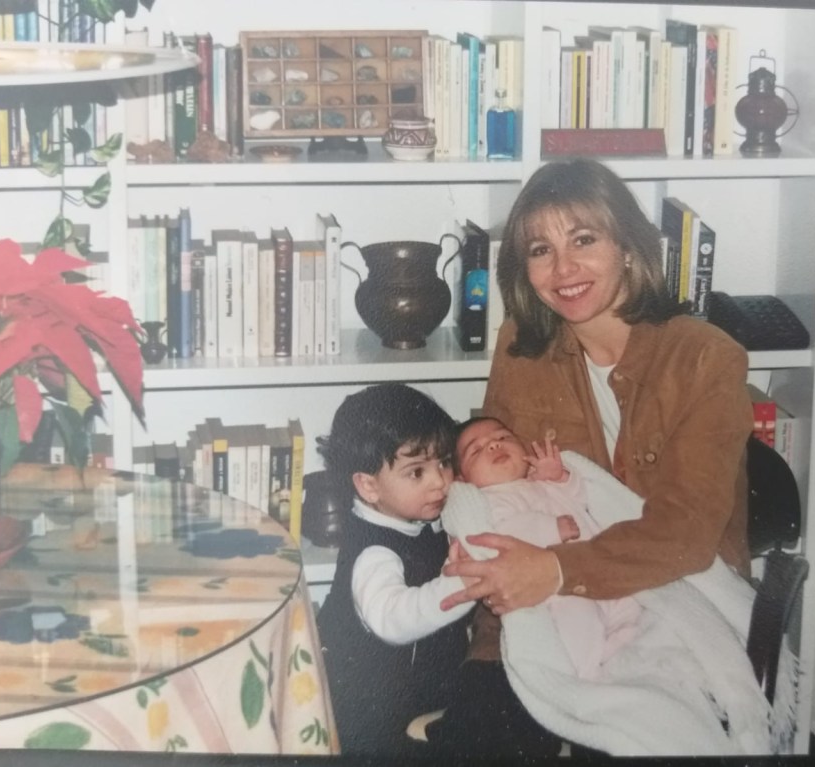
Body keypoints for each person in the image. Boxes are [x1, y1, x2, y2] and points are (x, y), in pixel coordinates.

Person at [436, 157, 755, 755]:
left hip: (672, 603)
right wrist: (473, 557)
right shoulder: (521, 347)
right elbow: (494, 489)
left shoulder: (705, 358)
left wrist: (556, 569)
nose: (563, 270)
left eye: (583, 240)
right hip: (543, 607)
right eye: (540, 250)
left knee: (638, 734)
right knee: (480, 737)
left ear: (628, 247)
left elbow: (686, 535)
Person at [314, 383, 475, 756]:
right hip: (376, 721)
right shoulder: (374, 552)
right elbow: (393, 621)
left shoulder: (415, 516)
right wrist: (462, 586)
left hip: (422, 692)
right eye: (416, 472)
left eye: (444, 462)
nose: (440, 481)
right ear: (368, 486)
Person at [453, 415, 640, 681]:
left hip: (596, 571)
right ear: (463, 480)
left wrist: (561, 477)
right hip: (556, 591)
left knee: (632, 608)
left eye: (503, 437)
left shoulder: (540, 482)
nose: (494, 445)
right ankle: (588, 677)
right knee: (578, 622)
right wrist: (551, 528)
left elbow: (581, 500)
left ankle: (623, 657)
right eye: (477, 450)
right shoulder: (489, 500)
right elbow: (505, 535)